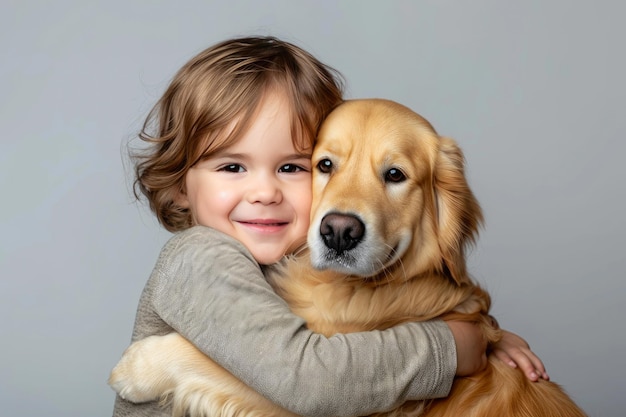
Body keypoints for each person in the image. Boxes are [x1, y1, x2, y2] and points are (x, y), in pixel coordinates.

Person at [112, 36, 547, 417]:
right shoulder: (202, 257)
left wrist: (487, 336)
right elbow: (310, 381)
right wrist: (451, 349)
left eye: (290, 167)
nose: (264, 192)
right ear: (180, 186)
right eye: (231, 166)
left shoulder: (284, 262)